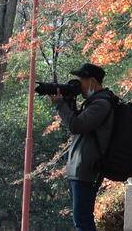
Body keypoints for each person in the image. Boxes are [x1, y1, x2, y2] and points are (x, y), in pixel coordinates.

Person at [51, 62, 115, 231]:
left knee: (83, 221)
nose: (80, 84)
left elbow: (76, 126)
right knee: (81, 220)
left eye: (82, 80)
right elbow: (77, 125)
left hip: (87, 169)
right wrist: (68, 102)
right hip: (81, 170)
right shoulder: (94, 103)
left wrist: (60, 104)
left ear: (93, 81)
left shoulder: (101, 104)